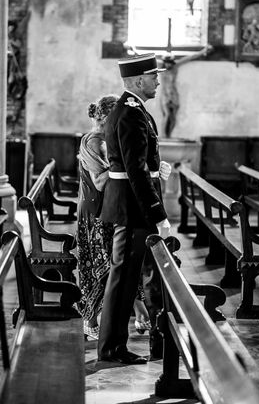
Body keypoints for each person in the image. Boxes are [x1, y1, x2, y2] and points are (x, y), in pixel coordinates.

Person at [98, 53, 172, 365]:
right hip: (131, 209)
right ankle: (112, 349)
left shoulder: (133, 109)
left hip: (129, 206)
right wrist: (159, 214)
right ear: (138, 80)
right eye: (154, 76)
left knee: (125, 279)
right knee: (123, 279)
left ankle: (113, 346)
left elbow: (142, 165)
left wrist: (158, 170)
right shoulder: (130, 113)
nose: (158, 81)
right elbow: (136, 171)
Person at [76, 95, 151, 341]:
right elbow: (98, 182)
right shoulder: (93, 142)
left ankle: (141, 313)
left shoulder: (107, 139)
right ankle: (89, 320)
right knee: (101, 267)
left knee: (122, 261)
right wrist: (123, 165)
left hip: (111, 208)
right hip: (95, 212)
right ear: (105, 117)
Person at [159, 44, 212, 137]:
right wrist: (134, 51)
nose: (168, 64)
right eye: (166, 62)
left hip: (174, 94)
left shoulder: (176, 66)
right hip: (165, 95)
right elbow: (146, 59)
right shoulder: (160, 66)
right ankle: (163, 136)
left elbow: (190, 57)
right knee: (167, 115)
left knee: (173, 117)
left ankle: (169, 135)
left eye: (170, 62)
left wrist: (203, 51)